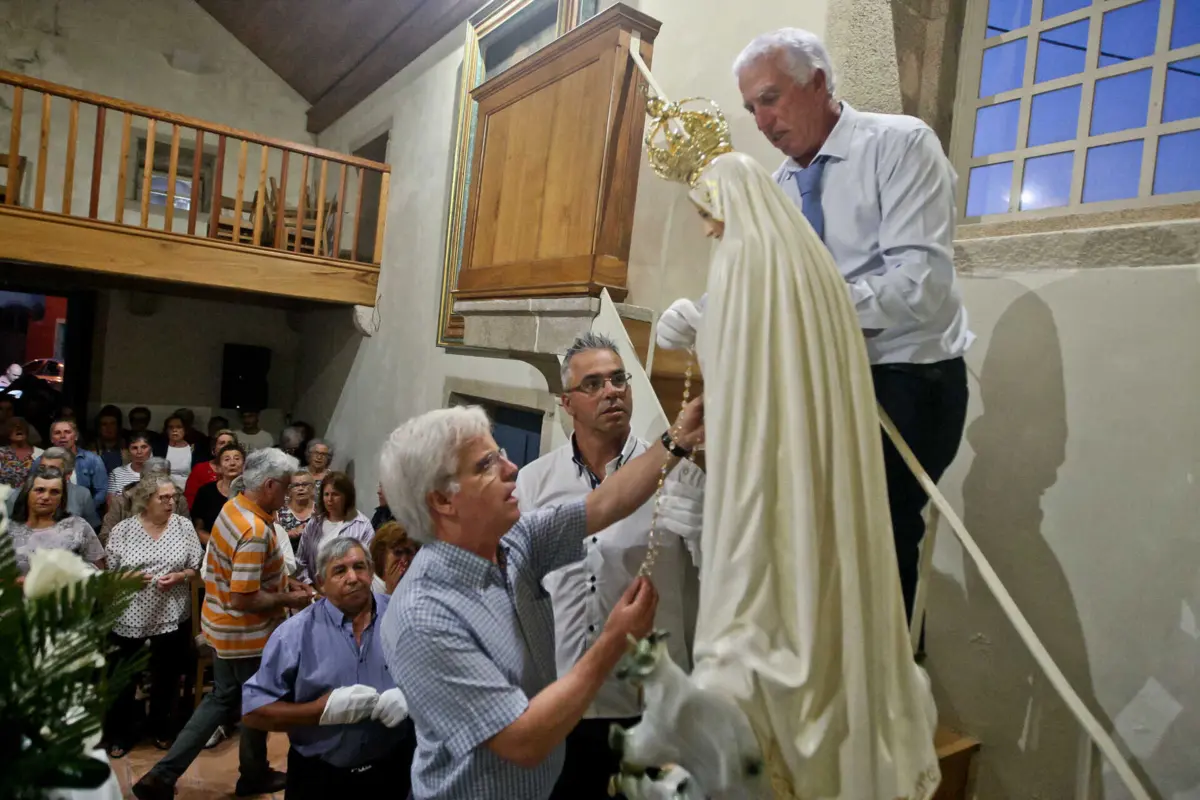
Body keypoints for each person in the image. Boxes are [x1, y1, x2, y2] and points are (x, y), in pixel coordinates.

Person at [638, 84, 940, 796]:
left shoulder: (745, 265)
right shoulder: (807, 267)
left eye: (706, 219)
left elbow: (747, 387)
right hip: (824, 466)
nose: (709, 232)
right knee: (826, 593)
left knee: (761, 610)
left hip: (768, 472)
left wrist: (705, 340)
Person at [659, 29, 972, 623]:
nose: (761, 120)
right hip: (819, 380)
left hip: (904, 378)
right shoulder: (777, 189)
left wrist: (797, 306)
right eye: (751, 107)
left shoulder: (899, 146)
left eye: (770, 98)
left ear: (820, 83)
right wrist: (705, 312)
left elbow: (920, 289)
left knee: (875, 542)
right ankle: (822, 690)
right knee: (809, 541)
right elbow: (759, 277)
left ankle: (877, 699)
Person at [377, 400, 703, 800]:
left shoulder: (514, 542)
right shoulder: (424, 617)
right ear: (443, 501)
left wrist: (678, 438)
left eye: (501, 456)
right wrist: (616, 640)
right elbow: (523, 742)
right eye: (485, 466)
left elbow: (604, 503)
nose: (511, 470)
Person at [515, 333, 704, 800]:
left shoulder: (680, 475)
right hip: (564, 704)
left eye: (619, 379)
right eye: (594, 384)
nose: (612, 391)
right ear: (567, 402)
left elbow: (715, 577)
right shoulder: (534, 483)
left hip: (652, 707)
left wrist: (707, 532)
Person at [132, 449, 314, 800]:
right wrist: (288, 600)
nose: (289, 494)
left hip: (223, 626)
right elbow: (243, 597)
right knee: (255, 703)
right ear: (271, 485)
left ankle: (165, 776)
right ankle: (246, 776)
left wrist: (282, 583)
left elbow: (245, 575)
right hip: (244, 633)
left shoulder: (235, 507)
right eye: (286, 487)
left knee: (226, 699)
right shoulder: (255, 529)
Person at [242, 538, 417, 799]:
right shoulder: (294, 635)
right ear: (320, 583)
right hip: (320, 777)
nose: (352, 577)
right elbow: (253, 712)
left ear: (371, 572)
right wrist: (319, 712)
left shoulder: (405, 617)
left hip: (394, 768)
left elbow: (445, 680)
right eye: (339, 571)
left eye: (359, 567)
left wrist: (412, 699)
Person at [103, 475, 203, 756]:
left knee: (167, 676)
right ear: (146, 500)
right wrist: (129, 577)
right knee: (123, 678)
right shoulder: (123, 530)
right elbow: (109, 574)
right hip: (129, 615)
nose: (172, 502)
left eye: (174, 497)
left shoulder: (183, 527)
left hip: (171, 613)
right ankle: (120, 734)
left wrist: (181, 575)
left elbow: (196, 566)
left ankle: (161, 728)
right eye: (164, 497)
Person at [4, 465, 106, 574]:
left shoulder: (78, 526)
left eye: (54, 492)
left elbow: (98, 569)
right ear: (27, 493)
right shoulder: (6, 531)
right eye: (40, 490)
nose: (46, 497)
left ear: (62, 498)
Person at [294, 471, 373, 585]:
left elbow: (368, 565)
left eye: (335, 494)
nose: (329, 499)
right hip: (316, 592)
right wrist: (311, 587)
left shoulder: (362, 525)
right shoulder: (314, 523)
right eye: (326, 494)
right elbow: (301, 562)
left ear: (346, 497)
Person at [101, 457, 189, 545]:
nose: (157, 484)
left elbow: (187, 536)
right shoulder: (121, 501)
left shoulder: (179, 500)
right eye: (151, 480)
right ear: (142, 478)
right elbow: (105, 536)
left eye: (161, 479)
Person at [10, 446, 102, 530]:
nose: (46, 472)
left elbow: (92, 529)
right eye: (42, 468)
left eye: (52, 469)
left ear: (68, 474)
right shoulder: (20, 493)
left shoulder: (82, 494)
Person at [48, 418, 108, 512]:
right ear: (51, 439)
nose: (62, 436)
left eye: (67, 432)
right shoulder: (41, 461)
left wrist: (86, 508)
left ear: (76, 436)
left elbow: (102, 491)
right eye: (57, 433)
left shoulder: (92, 460)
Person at [192, 444, 246, 548]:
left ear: (244, 466)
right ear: (218, 467)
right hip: (213, 548)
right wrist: (220, 547)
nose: (232, 463)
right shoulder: (205, 492)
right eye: (227, 459)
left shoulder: (252, 492)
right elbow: (199, 529)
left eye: (237, 459)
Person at [184, 429, 239, 508]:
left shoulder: (241, 470)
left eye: (230, 443)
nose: (226, 446)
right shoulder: (200, 469)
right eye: (222, 443)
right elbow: (190, 498)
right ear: (214, 449)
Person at [368, 520, 419, 595]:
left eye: (409, 552)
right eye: (398, 553)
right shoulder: (370, 588)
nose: (404, 560)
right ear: (381, 556)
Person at [276, 468, 316, 548]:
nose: (300, 488)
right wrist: (288, 534)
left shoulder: (320, 510)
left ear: (313, 488)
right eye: (296, 485)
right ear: (289, 490)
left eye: (305, 484)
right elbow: (272, 540)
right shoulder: (278, 511)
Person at [107, 432, 154, 500]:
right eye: (134, 448)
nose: (139, 452)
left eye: (144, 447)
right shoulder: (116, 473)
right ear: (128, 451)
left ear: (150, 449)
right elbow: (110, 506)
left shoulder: (160, 472)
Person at [0, 416, 43, 488]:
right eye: (13, 425)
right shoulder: (1, 453)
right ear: (7, 432)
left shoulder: (41, 454)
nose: (18, 427)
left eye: (22, 425)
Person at [87, 405, 129, 473]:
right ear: (99, 428)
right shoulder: (90, 451)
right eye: (104, 424)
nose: (108, 427)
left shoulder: (129, 448)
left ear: (118, 426)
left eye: (112, 424)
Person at [161, 415, 194, 491]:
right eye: (171, 427)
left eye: (179, 427)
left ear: (185, 430)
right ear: (166, 430)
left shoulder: (192, 450)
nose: (174, 430)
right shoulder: (159, 449)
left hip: (185, 492)